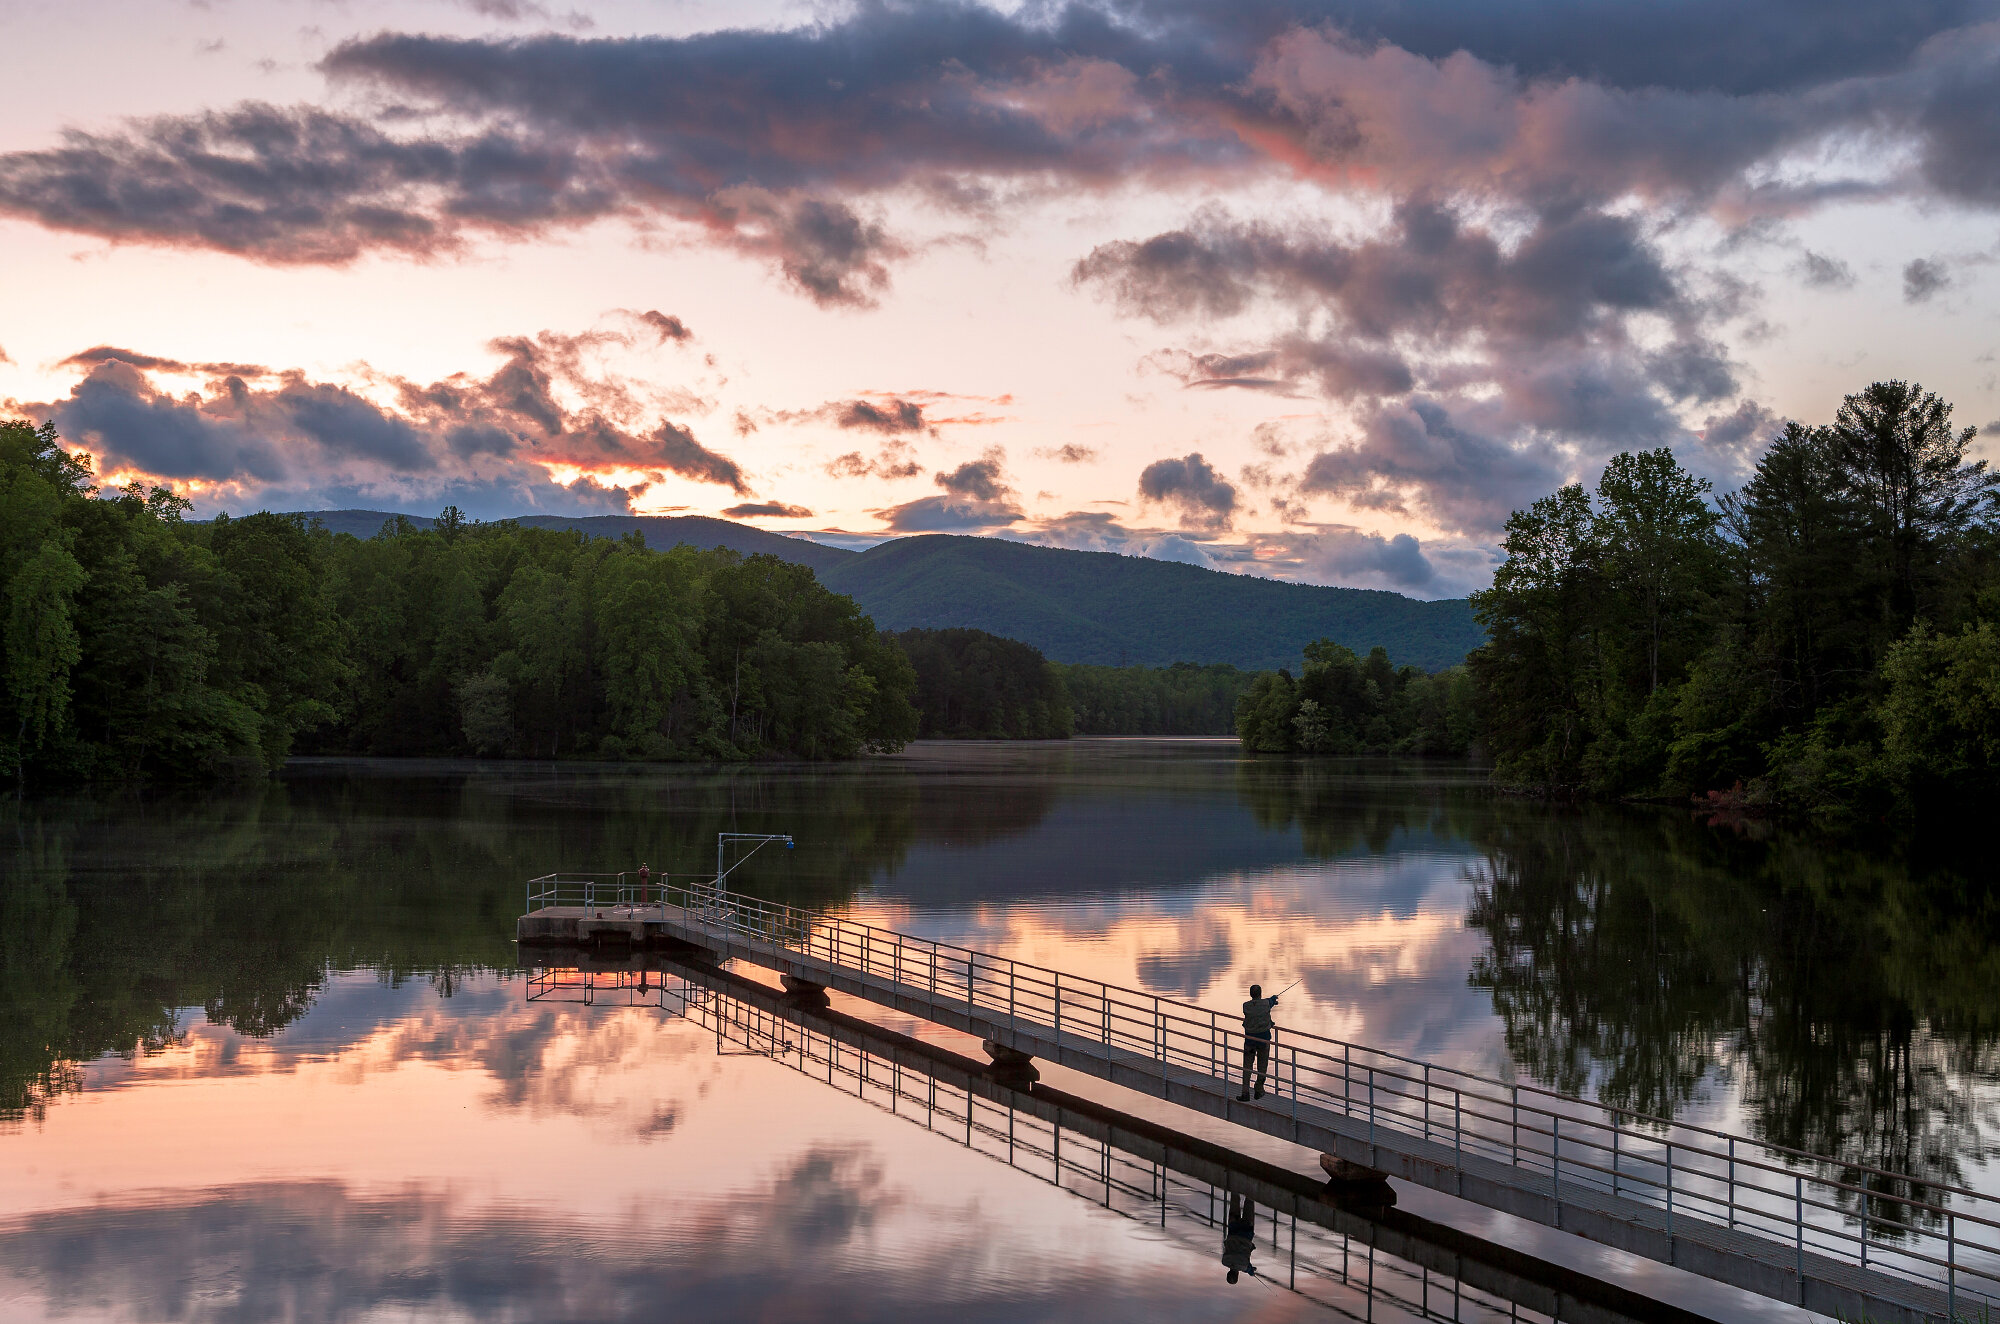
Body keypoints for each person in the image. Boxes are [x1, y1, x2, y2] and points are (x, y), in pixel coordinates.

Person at [1237, 983, 1278, 1102]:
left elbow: (1257, 1009)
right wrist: (1274, 998)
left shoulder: (1246, 1006)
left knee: (1247, 1067)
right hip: (1263, 1040)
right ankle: (1259, 1089)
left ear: (1250, 994)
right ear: (1260, 994)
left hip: (1249, 1040)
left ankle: (1245, 1093)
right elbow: (1270, 1001)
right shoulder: (1266, 1003)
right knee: (1262, 1066)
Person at [1221, 1192, 1258, 1283]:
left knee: (1249, 1200)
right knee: (1234, 1197)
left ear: (1237, 1275)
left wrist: (1251, 1272)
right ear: (1228, 1273)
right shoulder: (1224, 1261)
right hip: (1233, 1227)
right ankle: (1236, 1183)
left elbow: (1247, 1268)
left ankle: (1251, 1185)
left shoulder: (1244, 1266)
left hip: (1246, 1231)